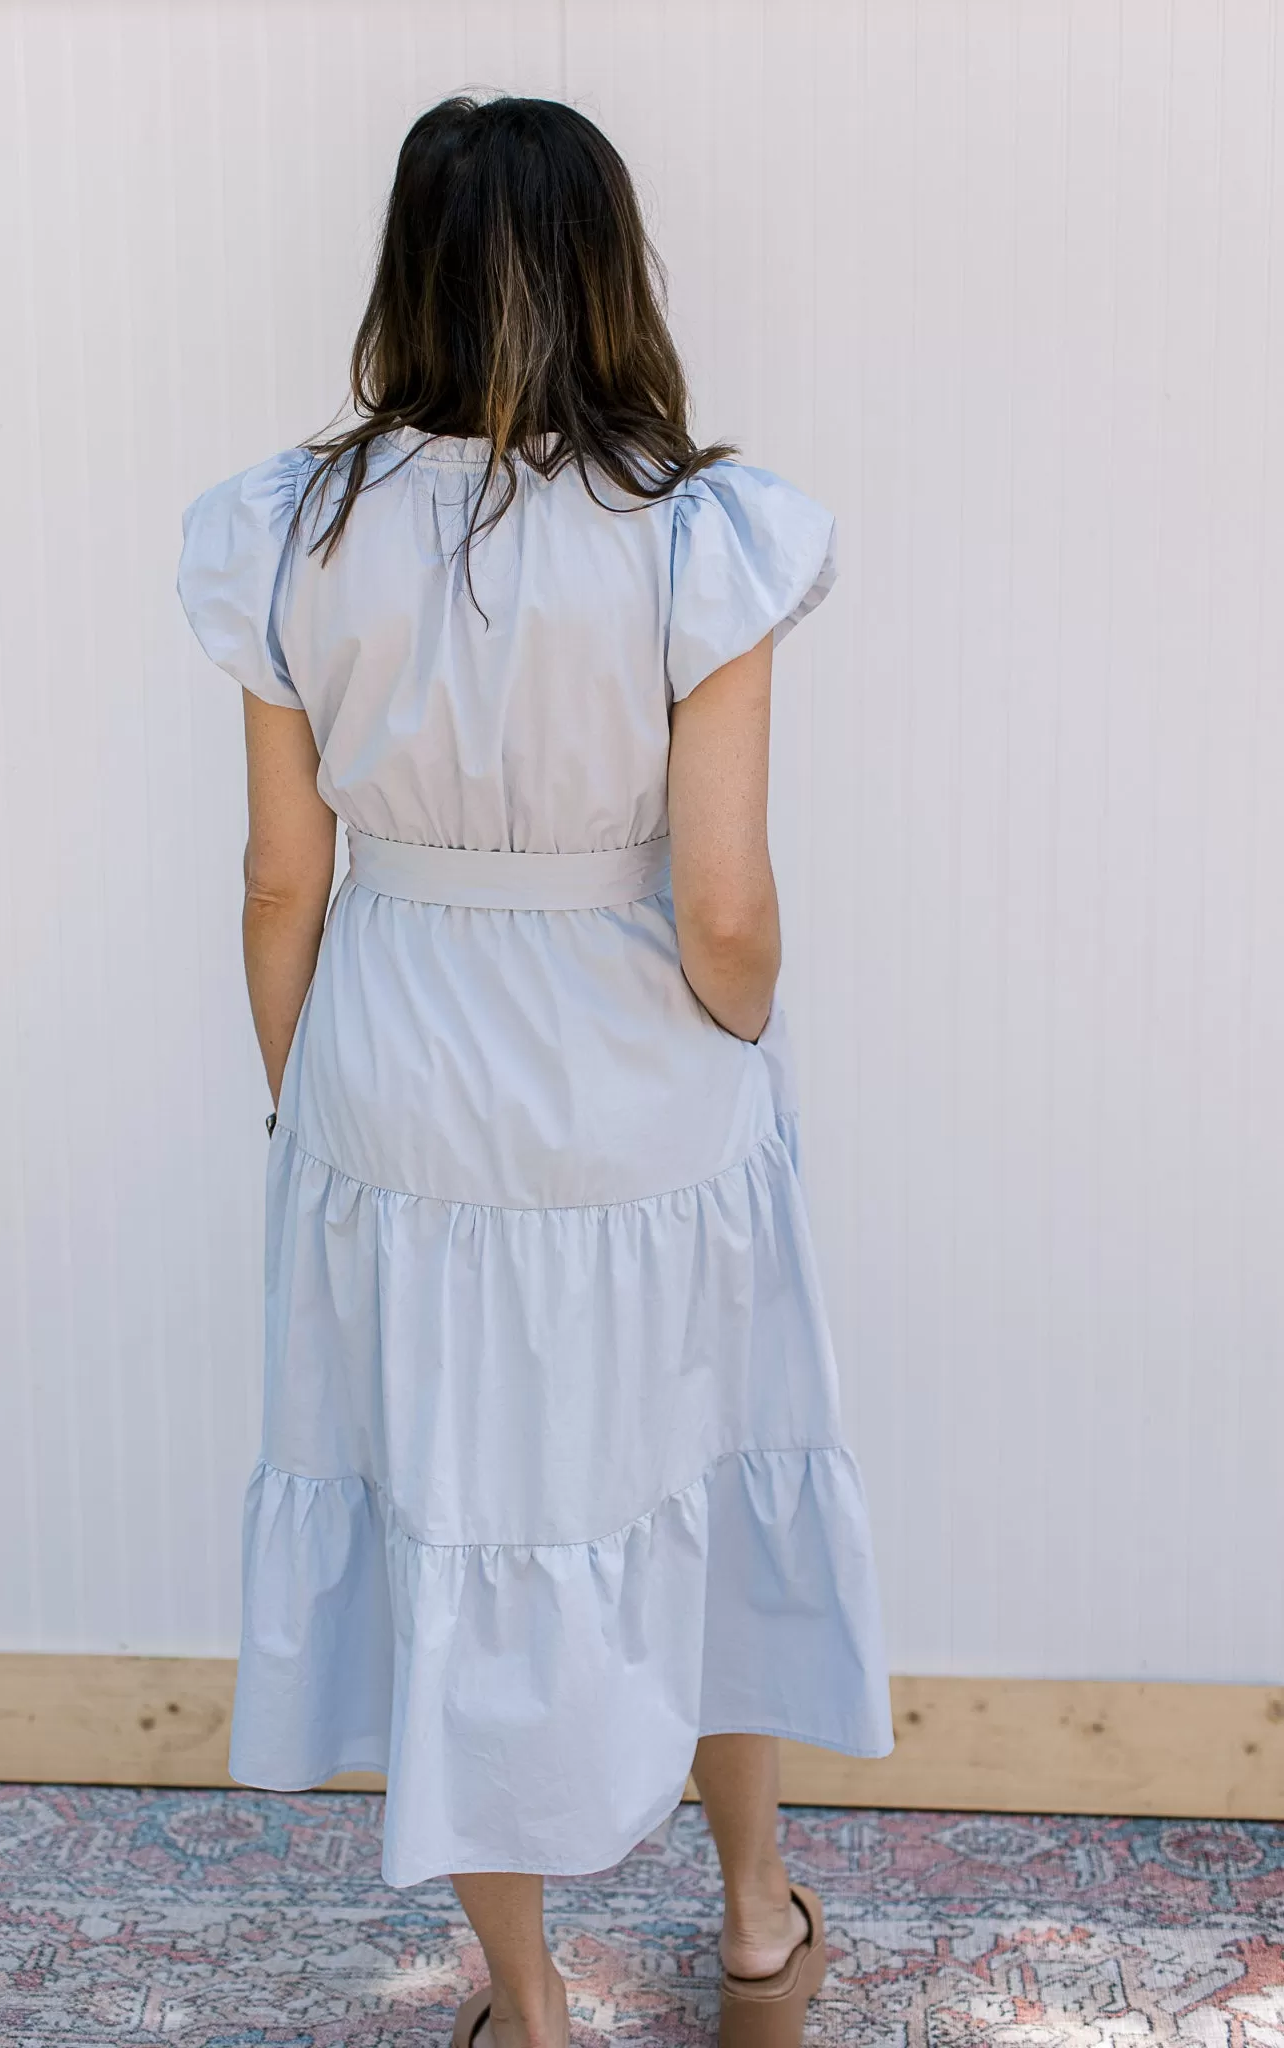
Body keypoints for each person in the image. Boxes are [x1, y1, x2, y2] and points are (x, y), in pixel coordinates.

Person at [177, 92, 891, 2048]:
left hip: (393, 1074)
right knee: (710, 1467)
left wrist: (307, 1103)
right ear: (609, 274)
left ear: (403, 273)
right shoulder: (697, 531)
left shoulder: (287, 528)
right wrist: (726, 1053)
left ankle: (526, 2007)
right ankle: (755, 1925)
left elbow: (274, 876)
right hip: (641, 1074)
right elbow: (727, 903)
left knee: (449, 1517)